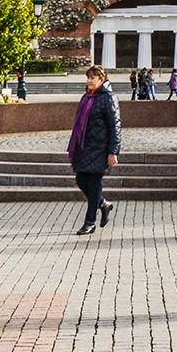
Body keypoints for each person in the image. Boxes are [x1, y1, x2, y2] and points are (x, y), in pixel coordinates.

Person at [67, 64, 121, 236]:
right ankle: (103, 204)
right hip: (84, 147)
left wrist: (113, 151)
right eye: (88, 77)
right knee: (81, 180)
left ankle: (90, 222)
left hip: (100, 148)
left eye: (93, 78)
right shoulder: (87, 97)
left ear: (101, 79)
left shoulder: (108, 98)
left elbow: (115, 126)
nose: (89, 80)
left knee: (94, 184)